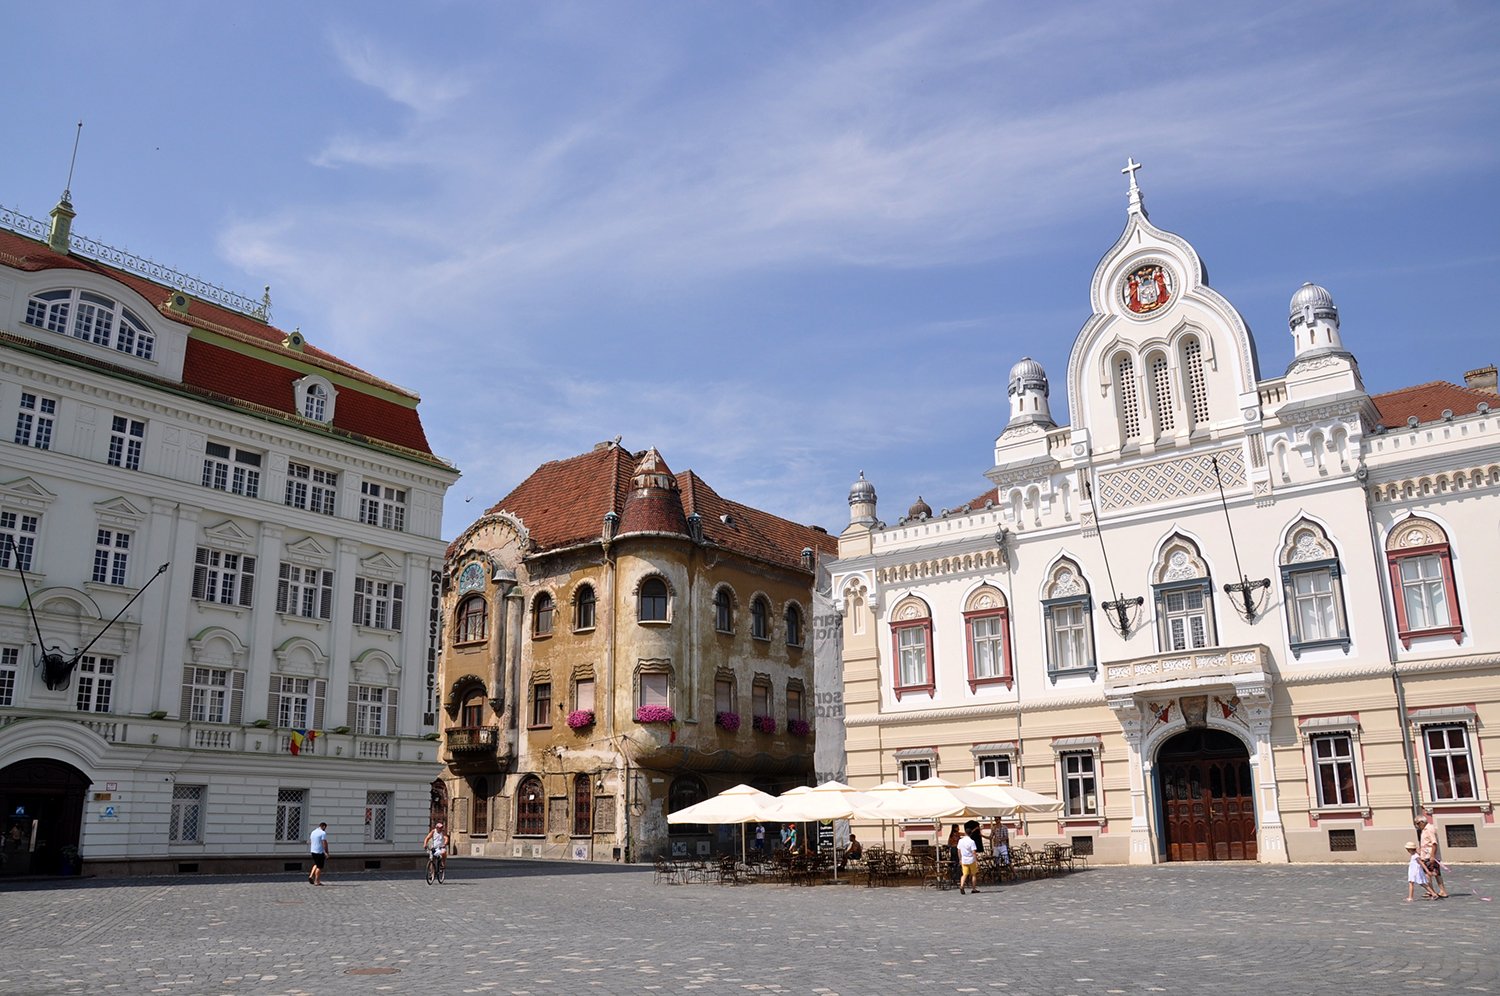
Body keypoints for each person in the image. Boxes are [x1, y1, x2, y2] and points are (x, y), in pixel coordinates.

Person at [1416, 815, 1447, 898]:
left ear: (1422, 822)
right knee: (1436, 873)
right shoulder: (1424, 830)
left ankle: (1432, 891)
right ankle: (1441, 891)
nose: (1417, 826)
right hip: (1426, 855)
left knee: (1428, 873)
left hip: (1429, 856)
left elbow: (1434, 843)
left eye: (1417, 824)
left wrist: (1432, 856)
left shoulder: (1429, 829)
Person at [956, 824, 981, 895]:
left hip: (964, 859)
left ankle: (961, 886)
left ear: (965, 833)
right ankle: (973, 888)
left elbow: (959, 850)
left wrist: (960, 859)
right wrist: (976, 861)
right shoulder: (971, 841)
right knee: (973, 874)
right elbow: (974, 852)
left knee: (964, 874)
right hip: (971, 860)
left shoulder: (960, 841)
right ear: (971, 834)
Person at [308, 821, 329, 885]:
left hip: (313, 851)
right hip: (319, 852)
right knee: (319, 867)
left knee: (316, 864)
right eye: (325, 828)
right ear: (323, 826)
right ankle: (317, 881)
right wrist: (326, 852)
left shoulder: (313, 832)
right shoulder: (323, 833)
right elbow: (324, 843)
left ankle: (311, 876)